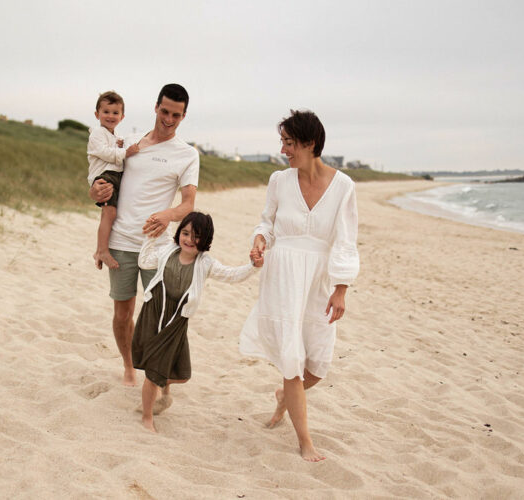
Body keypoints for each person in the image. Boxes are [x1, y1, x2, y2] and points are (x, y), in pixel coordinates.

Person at [240, 110, 360, 462]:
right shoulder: (279, 180)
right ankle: (305, 441)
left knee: (318, 365)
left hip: (319, 281)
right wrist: (260, 242)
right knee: (291, 361)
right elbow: (267, 223)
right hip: (283, 277)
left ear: (310, 143)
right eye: (282, 142)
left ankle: (284, 397)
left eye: (289, 143)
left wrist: (341, 288)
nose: (283, 150)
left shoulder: (343, 187)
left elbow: (346, 240)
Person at [90, 84, 199, 386]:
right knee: (123, 313)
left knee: (162, 315)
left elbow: (188, 204)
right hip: (120, 242)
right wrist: (94, 191)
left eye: (176, 115)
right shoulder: (130, 143)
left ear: (183, 115)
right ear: (155, 107)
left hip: (158, 248)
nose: (168, 119)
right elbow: (104, 180)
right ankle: (128, 366)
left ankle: (158, 375)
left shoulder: (187, 154)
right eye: (164, 111)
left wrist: (167, 215)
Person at [133, 212, 260, 432]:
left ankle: (163, 387)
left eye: (197, 236)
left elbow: (232, 275)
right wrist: (151, 238)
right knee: (153, 373)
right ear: (179, 233)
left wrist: (253, 266)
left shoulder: (205, 263)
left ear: (206, 240)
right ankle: (147, 417)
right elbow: (144, 262)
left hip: (177, 322)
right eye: (185, 233)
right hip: (154, 313)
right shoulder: (167, 252)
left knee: (181, 375)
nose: (190, 240)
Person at [86, 90, 140, 270]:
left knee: (112, 213)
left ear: (122, 116)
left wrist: (121, 145)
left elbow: (114, 148)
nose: (110, 116)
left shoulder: (115, 136)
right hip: (105, 175)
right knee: (108, 213)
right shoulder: (97, 133)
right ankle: (101, 250)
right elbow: (105, 153)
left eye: (115, 113)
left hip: (114, 175)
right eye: (106, 112)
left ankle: (102, 249)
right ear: (97, 114)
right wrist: (125, 152)